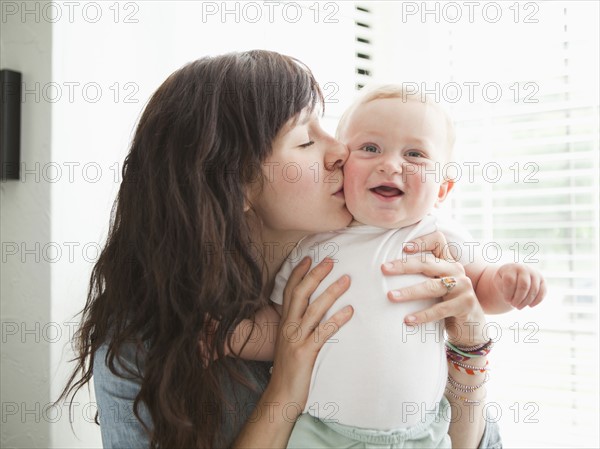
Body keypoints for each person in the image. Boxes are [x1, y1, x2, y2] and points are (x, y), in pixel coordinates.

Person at [58, 51, 501, 449]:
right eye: (307, 141)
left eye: (327, 130)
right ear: (236, 187)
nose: (341, 152)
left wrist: (470, 347)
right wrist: (286, 386)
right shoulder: (145, 347)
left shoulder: (403, 259)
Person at [223, 85, 546, 447]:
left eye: (415, 154)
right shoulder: (312, 245)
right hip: (322, 432)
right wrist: (231, 337)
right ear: (344, 167)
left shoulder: (436, 234)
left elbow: (482, 292)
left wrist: (509, 283)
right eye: (370, 148)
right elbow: (284, 328)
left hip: (420, 434)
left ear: (442, 189)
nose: (390, 164)